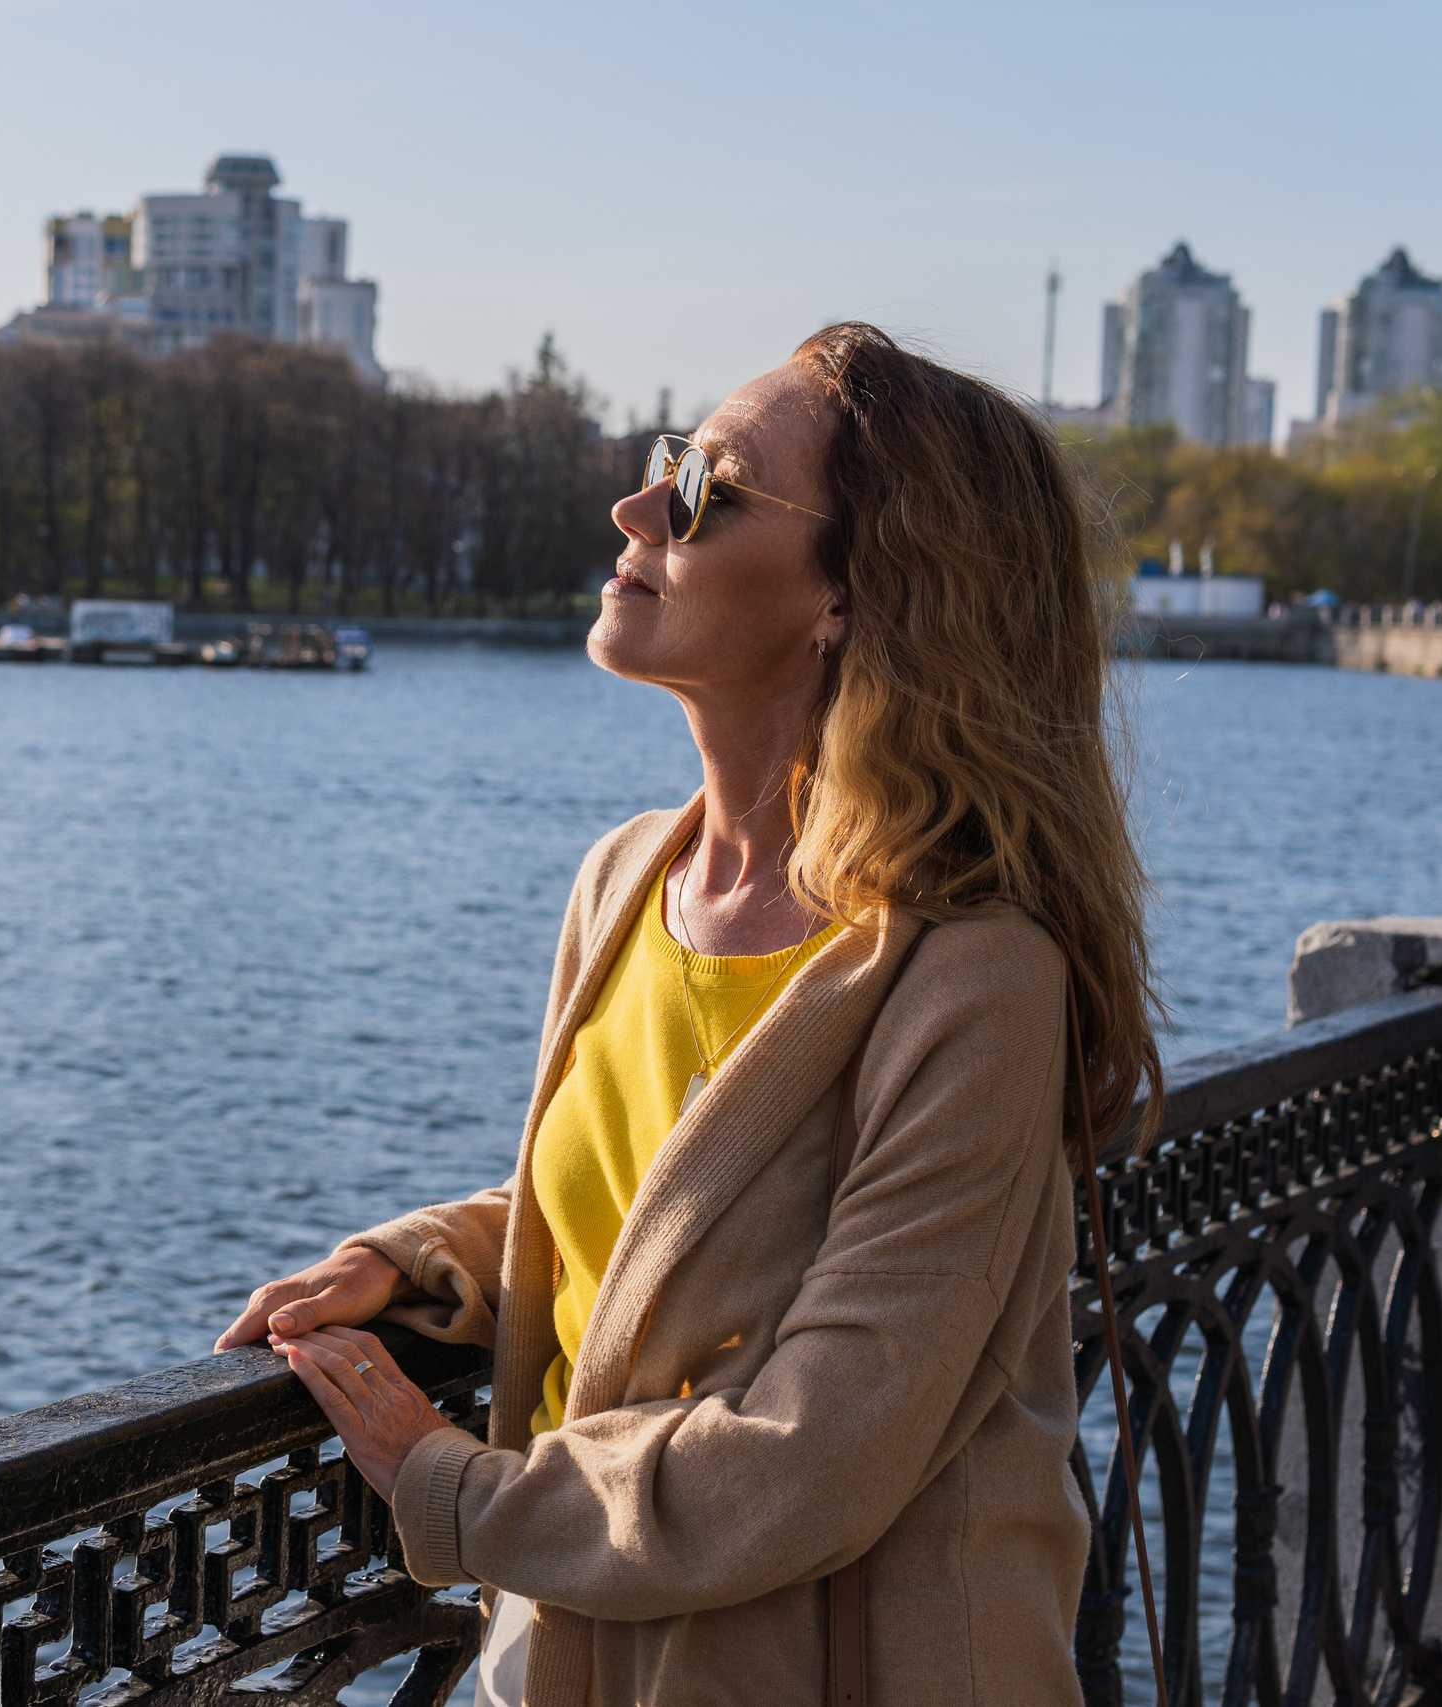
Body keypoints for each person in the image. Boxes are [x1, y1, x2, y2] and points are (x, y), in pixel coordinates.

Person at [215, 323, 1159, 1706]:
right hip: (574, 1640)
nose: (637, 509)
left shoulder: (973, 971)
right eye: (671, 463)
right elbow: (680, 1208)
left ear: (852, 594)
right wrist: (434, 1265)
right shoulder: (628, 877)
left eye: (708, 487)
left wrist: (451, 1489)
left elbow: (812, 1451)